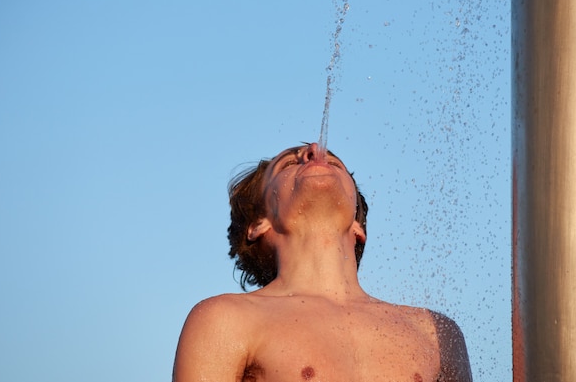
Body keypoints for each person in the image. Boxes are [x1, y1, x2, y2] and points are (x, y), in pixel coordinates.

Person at [173, 142, 473, 382]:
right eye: (290, 164)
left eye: (336, 163)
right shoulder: (227, 319)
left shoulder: (432, 331)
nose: (315, 150)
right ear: (258, 223)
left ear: (358, 226)